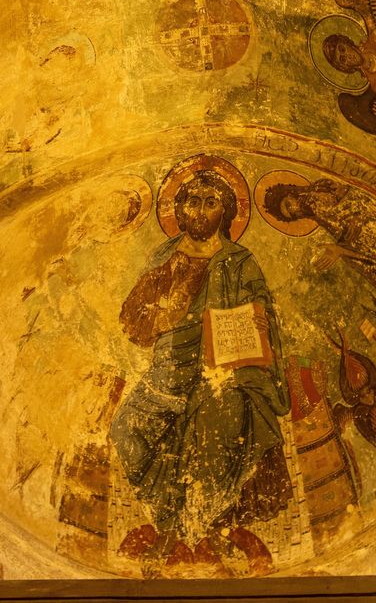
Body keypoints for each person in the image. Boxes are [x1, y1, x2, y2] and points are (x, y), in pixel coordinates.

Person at [111, 167, 287, 570]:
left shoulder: (239, 261)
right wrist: (162, 311)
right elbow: (133, 319)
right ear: (179, 208)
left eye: (211, 202)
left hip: (223, 371)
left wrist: (264, 325)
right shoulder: (163, 257)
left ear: (226, 212)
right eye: (193, 200)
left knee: (214, 423)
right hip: (169, 368)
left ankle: (204, 524)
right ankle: (169, 517)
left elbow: (265, 315)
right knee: (126, 429)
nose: (201, 210)